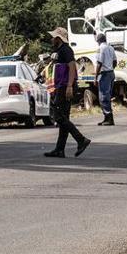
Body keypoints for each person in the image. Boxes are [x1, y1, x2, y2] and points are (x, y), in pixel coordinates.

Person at [44, 27, 91, 158]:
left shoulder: (66, 50)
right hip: (61, 86)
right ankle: (60, 149)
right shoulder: (59, 51)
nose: (51, 39)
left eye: (53, 37)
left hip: (65, 87)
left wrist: (70, 86)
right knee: (63, 117)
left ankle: (81, 139)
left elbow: (72, 67)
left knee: (58, 116)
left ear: (58, 38)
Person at [95, 33, 117, 126]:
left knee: (103, 97)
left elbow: (99, 63)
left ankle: (109, 118)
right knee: (107, 96)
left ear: (98, 41)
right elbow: (115, 61)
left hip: (104, 74)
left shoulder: (100, 48)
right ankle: (107, 118)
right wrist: (110, 68)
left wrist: (96, 76)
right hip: (111, 73)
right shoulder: (111, 48)